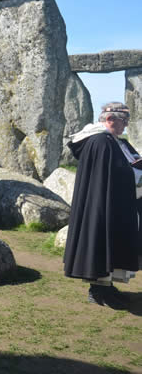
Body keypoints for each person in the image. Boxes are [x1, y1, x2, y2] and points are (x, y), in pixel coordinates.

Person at [64, 102, 140, 307]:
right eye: (124, 120)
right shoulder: (99, 141)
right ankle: (97, 291)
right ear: (110, 119)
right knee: (100, 242)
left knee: (112, 244)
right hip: (101, 204)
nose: (126, 125)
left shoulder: (115, 141)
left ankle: (107, 288)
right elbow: (112, 172)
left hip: (114, 203)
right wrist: (133, 173)